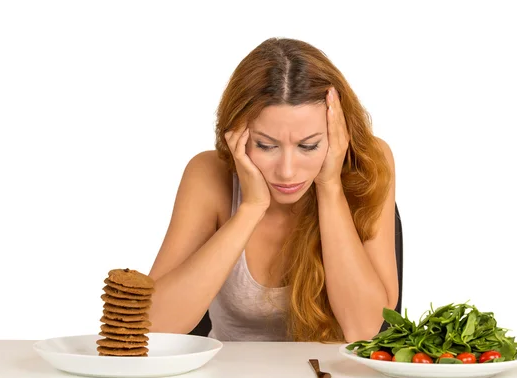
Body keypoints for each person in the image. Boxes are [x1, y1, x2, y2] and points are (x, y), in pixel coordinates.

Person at [147, 37, 399, 343]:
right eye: (266, 145)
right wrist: (250, 208)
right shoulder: (208, 174)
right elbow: (152, 325)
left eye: (309, 145)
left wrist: (330, 187)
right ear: (237, 133)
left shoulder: (370, 163)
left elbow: (365, 329)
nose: (287, 170)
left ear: (338, 134)